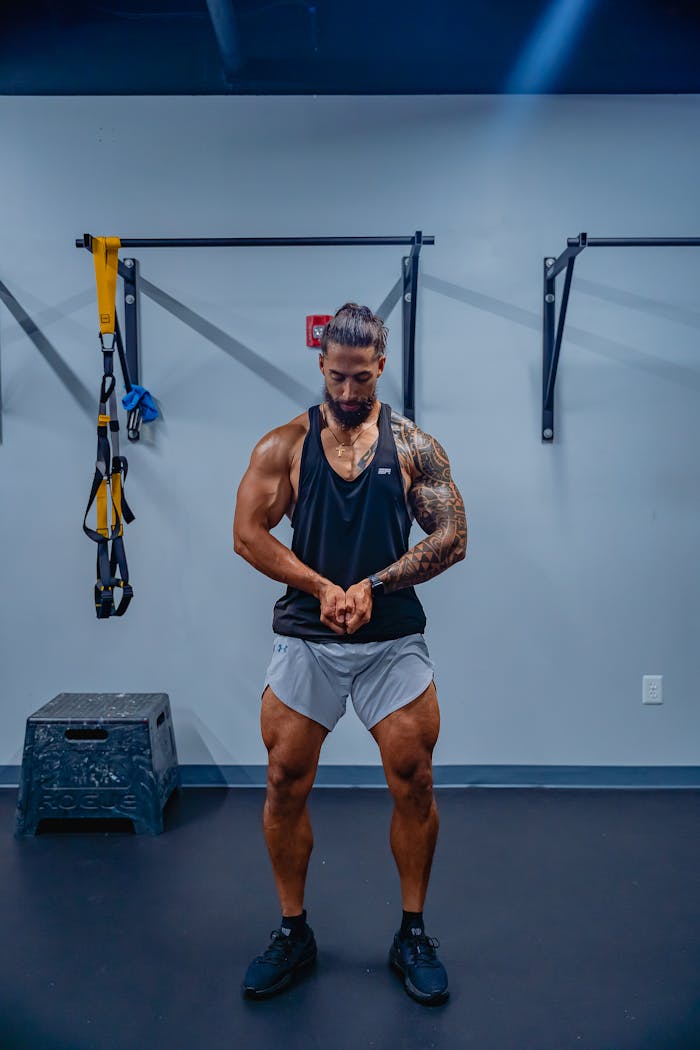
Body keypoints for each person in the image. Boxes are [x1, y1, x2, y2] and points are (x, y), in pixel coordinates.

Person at [233, 302, 467, 1004]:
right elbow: (248, 534)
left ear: (380, 369)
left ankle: (413, 932)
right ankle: (292, 931)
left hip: (390, 639)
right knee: (283, 781)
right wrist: (322, 586)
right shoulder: (283, 446)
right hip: (308, 635)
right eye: (335, 377)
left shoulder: (414, 447)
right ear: (321, 366)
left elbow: (452, 537)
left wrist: (371, 584)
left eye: (359, 379)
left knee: (414, 778)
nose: (345, 393)